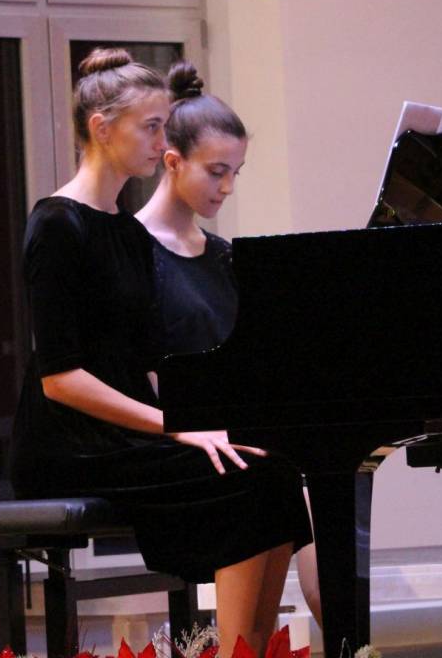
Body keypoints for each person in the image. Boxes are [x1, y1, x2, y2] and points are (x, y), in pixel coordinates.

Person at [9, 48, 313, 656]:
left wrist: (209, 426)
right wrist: (177, 428)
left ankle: (252, 648)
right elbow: (59, 379)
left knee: (271, 466)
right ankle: (233, 650)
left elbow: (150, 364)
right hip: (71, 442)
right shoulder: (57, 225)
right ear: (102, 128)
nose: (161, 141)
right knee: (244, 479)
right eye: (151, 127)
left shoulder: (127, 231)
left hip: (129, 433)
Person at [134, 61, 323, 627]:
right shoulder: (133, 249)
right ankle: (240, 643)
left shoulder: (223, 257)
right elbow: (136, 368)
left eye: (236, 172)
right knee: (260, 477)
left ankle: (334, 639)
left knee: (306, 478)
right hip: (167, 438)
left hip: (225, 435)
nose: (228, 187)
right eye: (217, 171)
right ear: (172, 161)